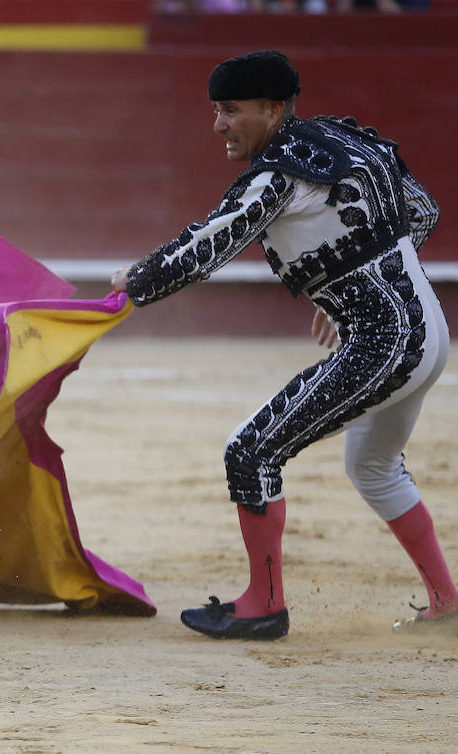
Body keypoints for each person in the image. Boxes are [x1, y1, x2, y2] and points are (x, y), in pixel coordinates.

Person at [110, 50, 454, 640]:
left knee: (251, 453)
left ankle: (263, 606)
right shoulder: (346, 141)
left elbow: (212, 244)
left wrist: (135, 284)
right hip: (429, 331)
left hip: (387, 344)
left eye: (230, 111)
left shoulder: (282, 173)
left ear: (272, 110)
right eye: (216, 110)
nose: (218, 124)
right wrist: (359, 282)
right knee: (371, 466)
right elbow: (421, 211)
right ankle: (448, 600)